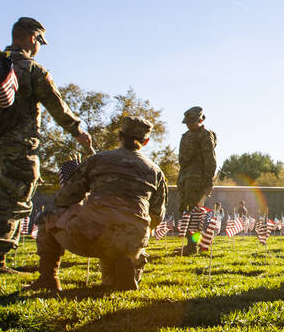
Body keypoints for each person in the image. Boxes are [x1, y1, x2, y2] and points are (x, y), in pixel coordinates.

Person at [0, 17, 93, 276]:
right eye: (40, 42)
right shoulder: (32, 70)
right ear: (33, 39)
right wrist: (78, 131)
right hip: (18, 149)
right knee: (12, 201)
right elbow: (57, 107)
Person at [28, 116, 168, 292]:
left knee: (46, 217)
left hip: (93, 235)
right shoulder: (156, 172)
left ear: (120, 136)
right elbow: (157, 215)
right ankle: (124, 269)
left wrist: (76, 210)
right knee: (121, 247)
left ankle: (48, 278)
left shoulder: (98, 160)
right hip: (132, 239)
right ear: (146, 141)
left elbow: (66, 196)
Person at [177, 106, 217, 255]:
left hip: (198, 180)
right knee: (185, 211)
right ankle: (189, 244)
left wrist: (207, 183)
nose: (189, 125)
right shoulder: (185, 136)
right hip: (185, 179)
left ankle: (192, 246)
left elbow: (210, 161)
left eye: (192, 122)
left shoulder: (205, 135)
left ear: (200, 120)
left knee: (195, 214)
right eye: (187, 122)